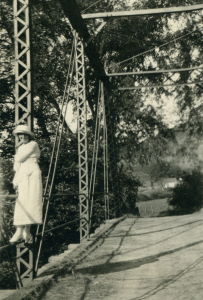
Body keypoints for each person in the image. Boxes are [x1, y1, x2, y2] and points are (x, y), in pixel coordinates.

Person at [10, 124, 43, 243]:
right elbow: (16, 167)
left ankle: (27, 231)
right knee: (22, 201)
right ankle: (19, 230)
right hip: (23, 174)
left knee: (31, 201)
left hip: (32, 174)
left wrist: (17, 153)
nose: (22, 136)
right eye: (20, 135)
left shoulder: (33, 144)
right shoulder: (20, 148)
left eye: (24, 134)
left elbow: (19, 159)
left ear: (29, 135)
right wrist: (15, 180)